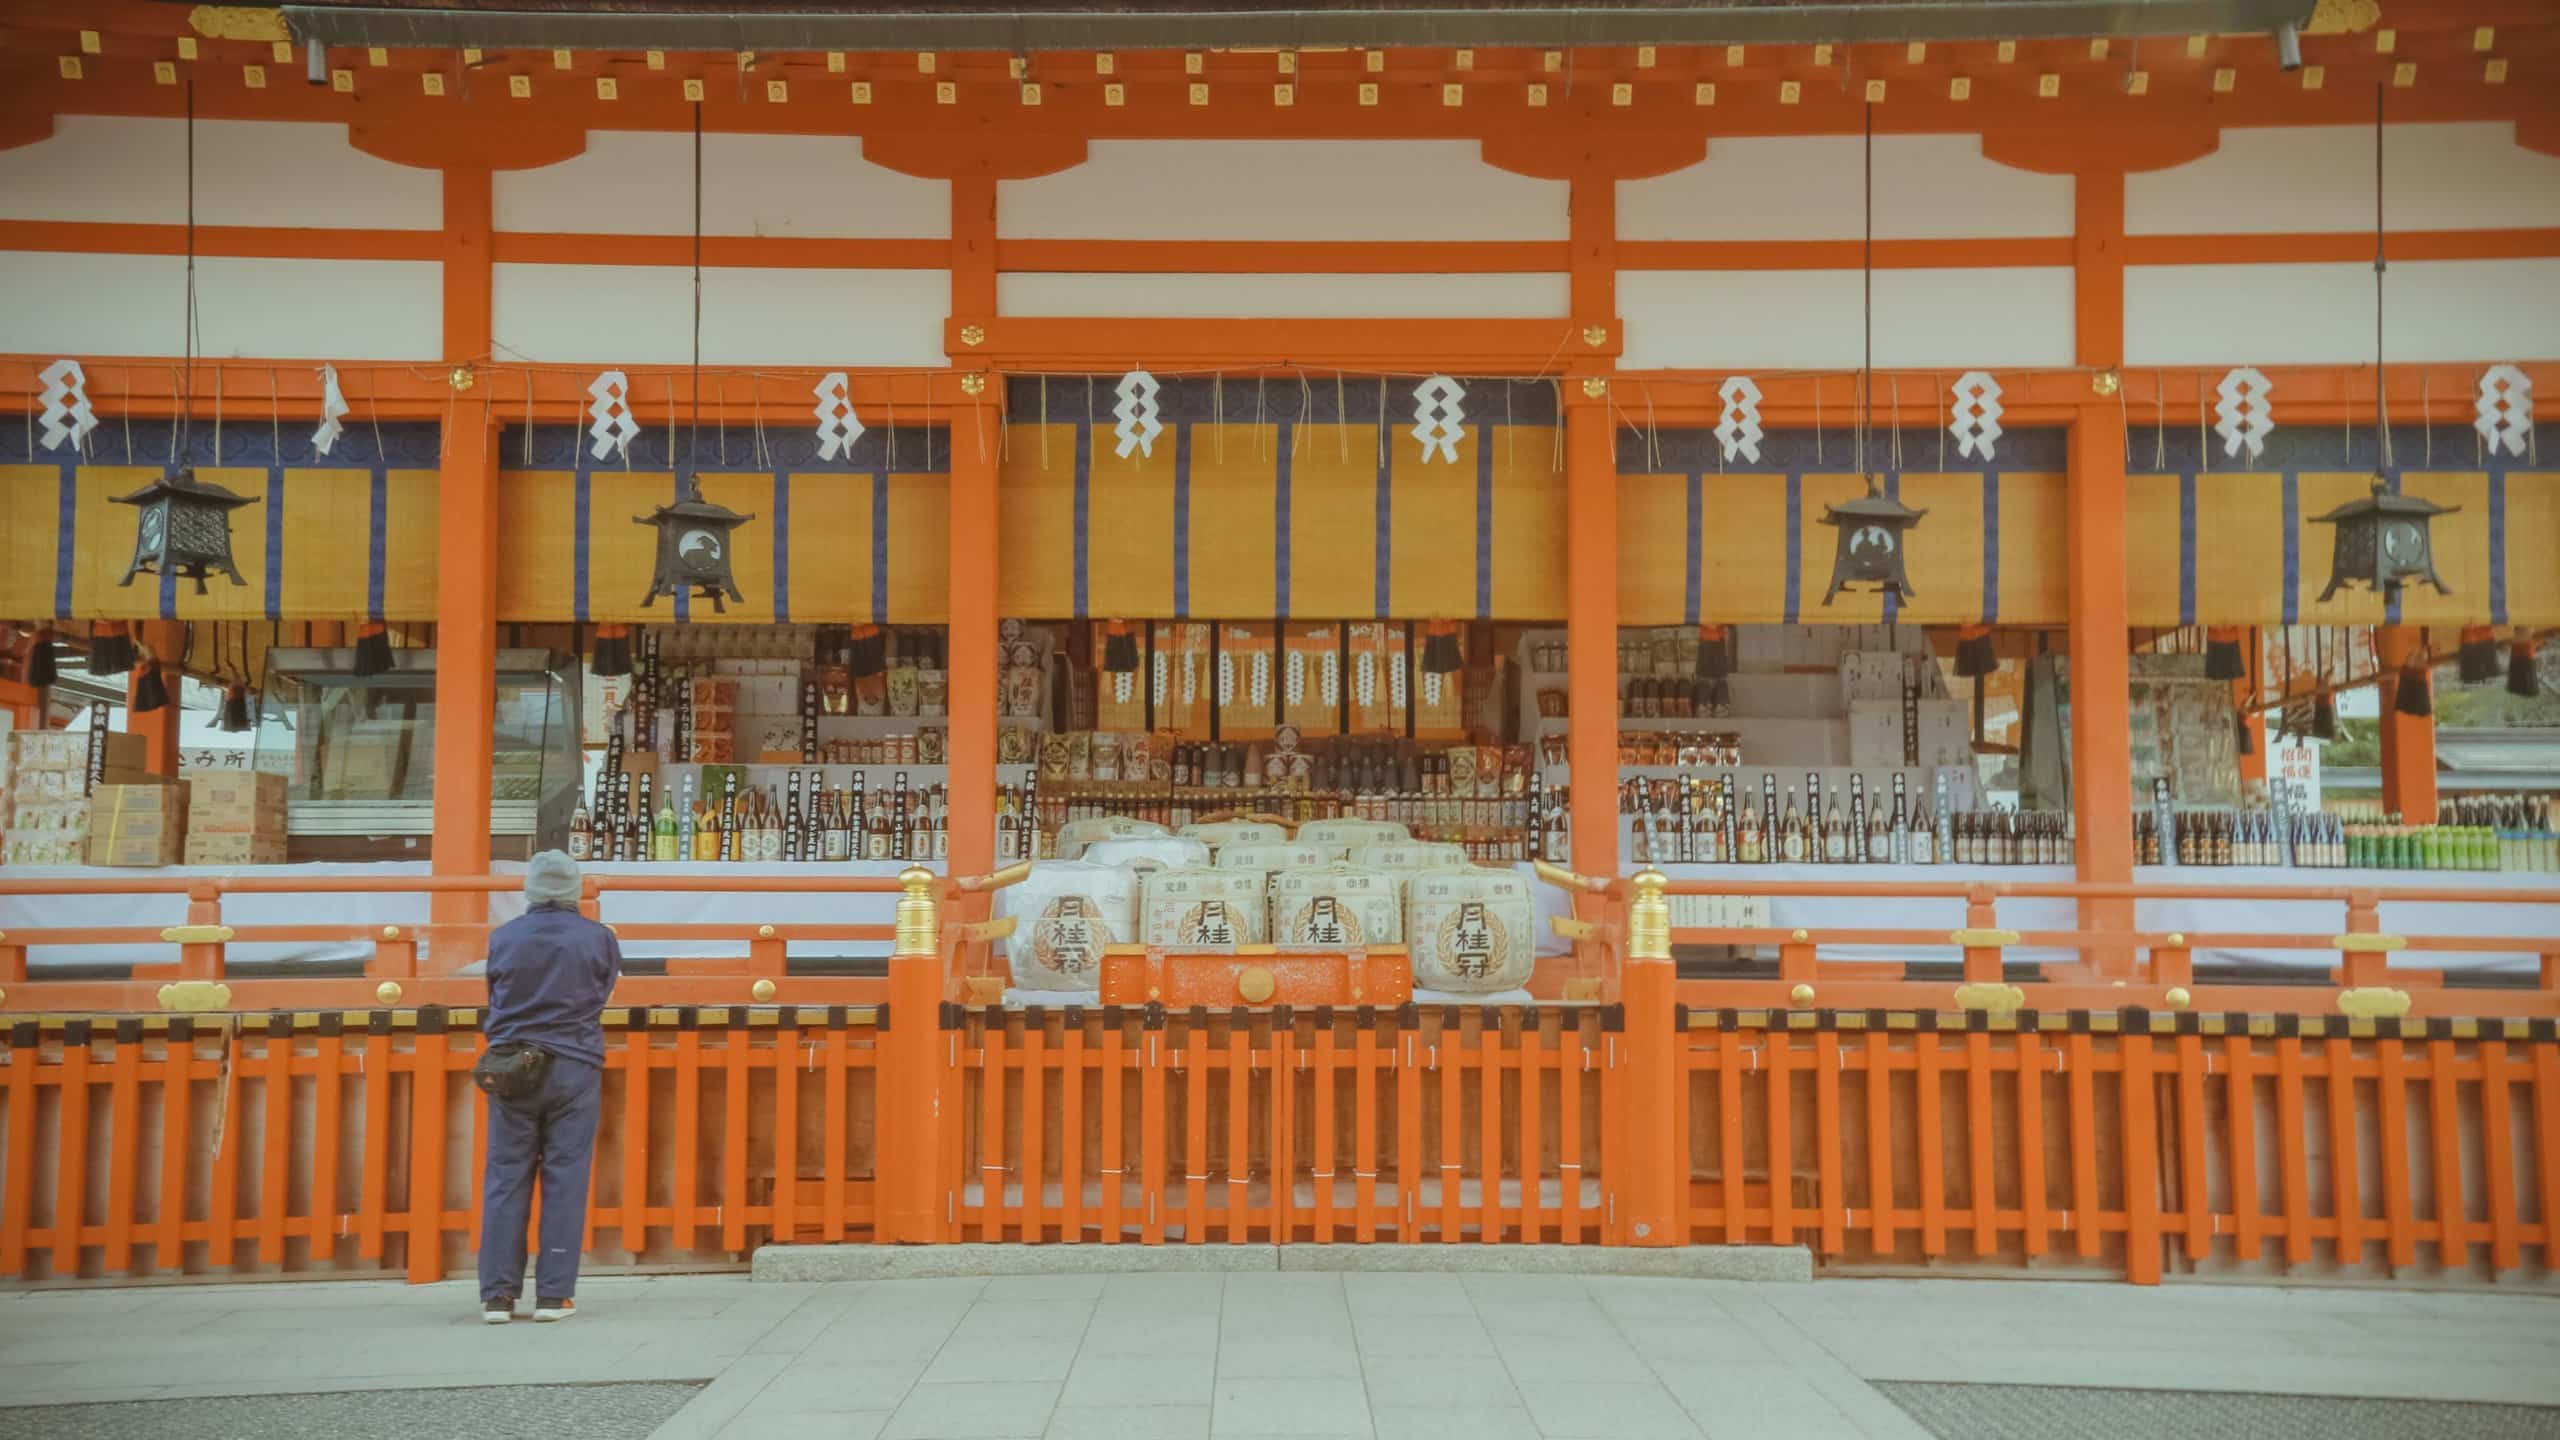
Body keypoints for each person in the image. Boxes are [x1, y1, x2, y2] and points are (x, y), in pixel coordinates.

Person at [478, 849, 620, 1324]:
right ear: (574, 888)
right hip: (574, 1062)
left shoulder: (504, 937)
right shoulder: (597, 938)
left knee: (505, 1177)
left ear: (531, 890)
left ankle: (497, 1296)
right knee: (565, 1176)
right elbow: (603, 994)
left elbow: (495, 994)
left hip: (513, 1065)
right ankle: (554, 1295)